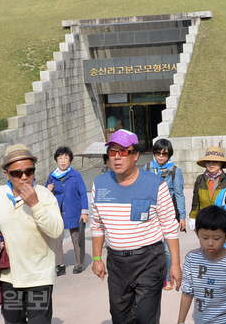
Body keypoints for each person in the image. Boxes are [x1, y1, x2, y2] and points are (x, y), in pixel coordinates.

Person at [90, 129, 182, 324]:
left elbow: (169, 227)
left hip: (148, 260)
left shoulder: (156, 185)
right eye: (112, 152)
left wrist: (175, 265)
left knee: (145, 317)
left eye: (123, 152)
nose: (116, 157)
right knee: (120, 317)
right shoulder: (100, 184)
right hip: (116, 263)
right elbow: (96, 225)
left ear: (136, 155)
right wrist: (97, 258)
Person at [0, 144, 64, 324]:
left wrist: (35, 204)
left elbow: (57, 231)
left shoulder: (44, 196)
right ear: (7, 173)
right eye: (17, 173)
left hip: (39, 275)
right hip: (9, 276)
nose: (25, 177)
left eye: (29, 171)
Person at [178, 205, 226, 324]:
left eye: (216, 238)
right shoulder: (192, 258)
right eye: (205, 237)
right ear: (197, 233)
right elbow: (187, 292)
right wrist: (180, 321)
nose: (210, 243)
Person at [143, 138, 186, 290]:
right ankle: (153, 277)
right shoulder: (147, 167)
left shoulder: (175, 171)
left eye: (164, 153)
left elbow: (179, 194)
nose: (161, 156)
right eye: (158, 153)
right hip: (150, 214)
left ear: (169, 154)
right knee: (151, 246)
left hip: (168, 213)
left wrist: (182, 216)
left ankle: (167, 278)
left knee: (168, 248)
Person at [46, 146, 89, 275]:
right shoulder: (52, 176)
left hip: (74, 210)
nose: (63, 161)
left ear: (70, 160)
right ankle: (60, 264)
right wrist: (48, 190)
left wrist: (84, 212)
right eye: (60, 158)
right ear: (56, 160)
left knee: (77, 238)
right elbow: (45, 195)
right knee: (56, 238)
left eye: (66, 158)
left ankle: (79, 264)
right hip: (58, 211)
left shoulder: (76, 175)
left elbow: (83, 193)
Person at [189, 146, 226, 231]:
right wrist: (193, 217)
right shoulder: (200, 179)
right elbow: (195, 202)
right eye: (208, 161)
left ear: (221, 163)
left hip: (223, 222)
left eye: (215, 161)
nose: (211, 164)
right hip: (205, 222)